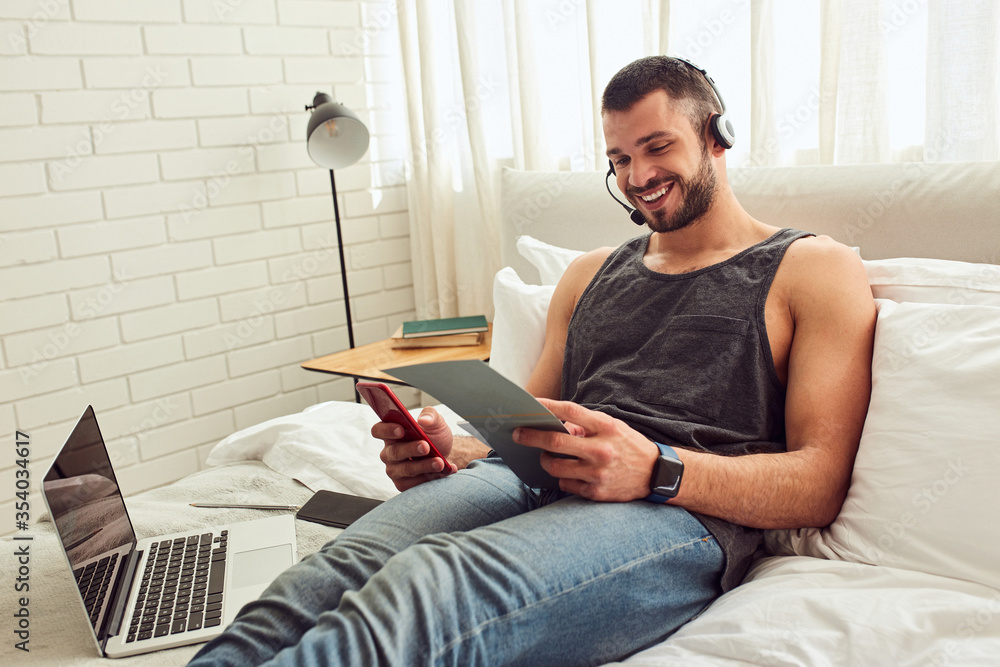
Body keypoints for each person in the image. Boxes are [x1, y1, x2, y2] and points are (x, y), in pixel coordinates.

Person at [189, 56, 876, 666]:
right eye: (618, 159)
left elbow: (819, 483)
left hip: (675, 511)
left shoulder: (811, 268)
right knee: (333, 569)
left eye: (657, 147)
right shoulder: (587, 274)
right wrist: (447, 449)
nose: (638, 176)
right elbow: (517, 432)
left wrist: (657, 467)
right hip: (531, 480)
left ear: (715, 136)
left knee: (431, 583)